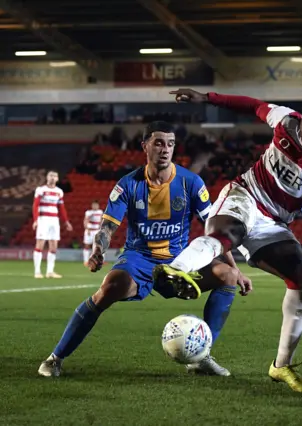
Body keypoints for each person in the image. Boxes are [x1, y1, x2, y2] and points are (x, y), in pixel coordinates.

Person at [153, 89, 302, 393]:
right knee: (229, 235)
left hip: (274, 222)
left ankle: (281, 366)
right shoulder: (286, 120)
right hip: (245, 195)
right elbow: (252, 105)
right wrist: (207, 97)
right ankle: (174, 269)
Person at [38, 121, 252, 378]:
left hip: (179, 262)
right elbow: (107, 227)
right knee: (109, 287)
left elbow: (215, 231)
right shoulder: (128, 184)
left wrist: (236, 269)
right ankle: (55, 358)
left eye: (170, 144)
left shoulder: (191, 183)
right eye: (159, 143)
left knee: (226, 276)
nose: (165, 149)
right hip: (139, 260)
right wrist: (98, 249)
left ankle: (200, 357)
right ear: (145, 146)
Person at [33, 170, 73, 279]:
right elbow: (35, 205)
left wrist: (66, 221)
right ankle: (37, 271)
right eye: (50, 175)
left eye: (54, 176)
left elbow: (61, 208)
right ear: (47, 177)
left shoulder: (59, 192)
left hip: (54, 220)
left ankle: (50, 271)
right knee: (40, 243)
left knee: (53, 245)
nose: (52, 177)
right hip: (43, 219)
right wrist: (36, 220)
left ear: (57, 179)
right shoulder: (41, 190)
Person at [83, 200, 103, 266]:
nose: (95, 206)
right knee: (87, 245)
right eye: (94, 205)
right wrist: (87, 229)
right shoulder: (88, 212)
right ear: (92, 206)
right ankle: (86, 261)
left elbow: (101, 221)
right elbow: (85, 220)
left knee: (98, 246)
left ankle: (97, 261)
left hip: (97, 230)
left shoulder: (100, 212)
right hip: (89, 230)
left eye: (96, 205)